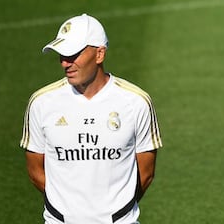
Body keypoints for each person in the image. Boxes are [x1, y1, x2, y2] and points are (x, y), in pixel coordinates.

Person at [20, 13, 162, 224]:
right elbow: (35, 171)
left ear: (99, 54)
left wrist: (113, 211)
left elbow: (146, 173)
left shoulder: (136, 102)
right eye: (61, 55)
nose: (65, 63)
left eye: (73, 54)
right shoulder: (41, 103)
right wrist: (70, 210)